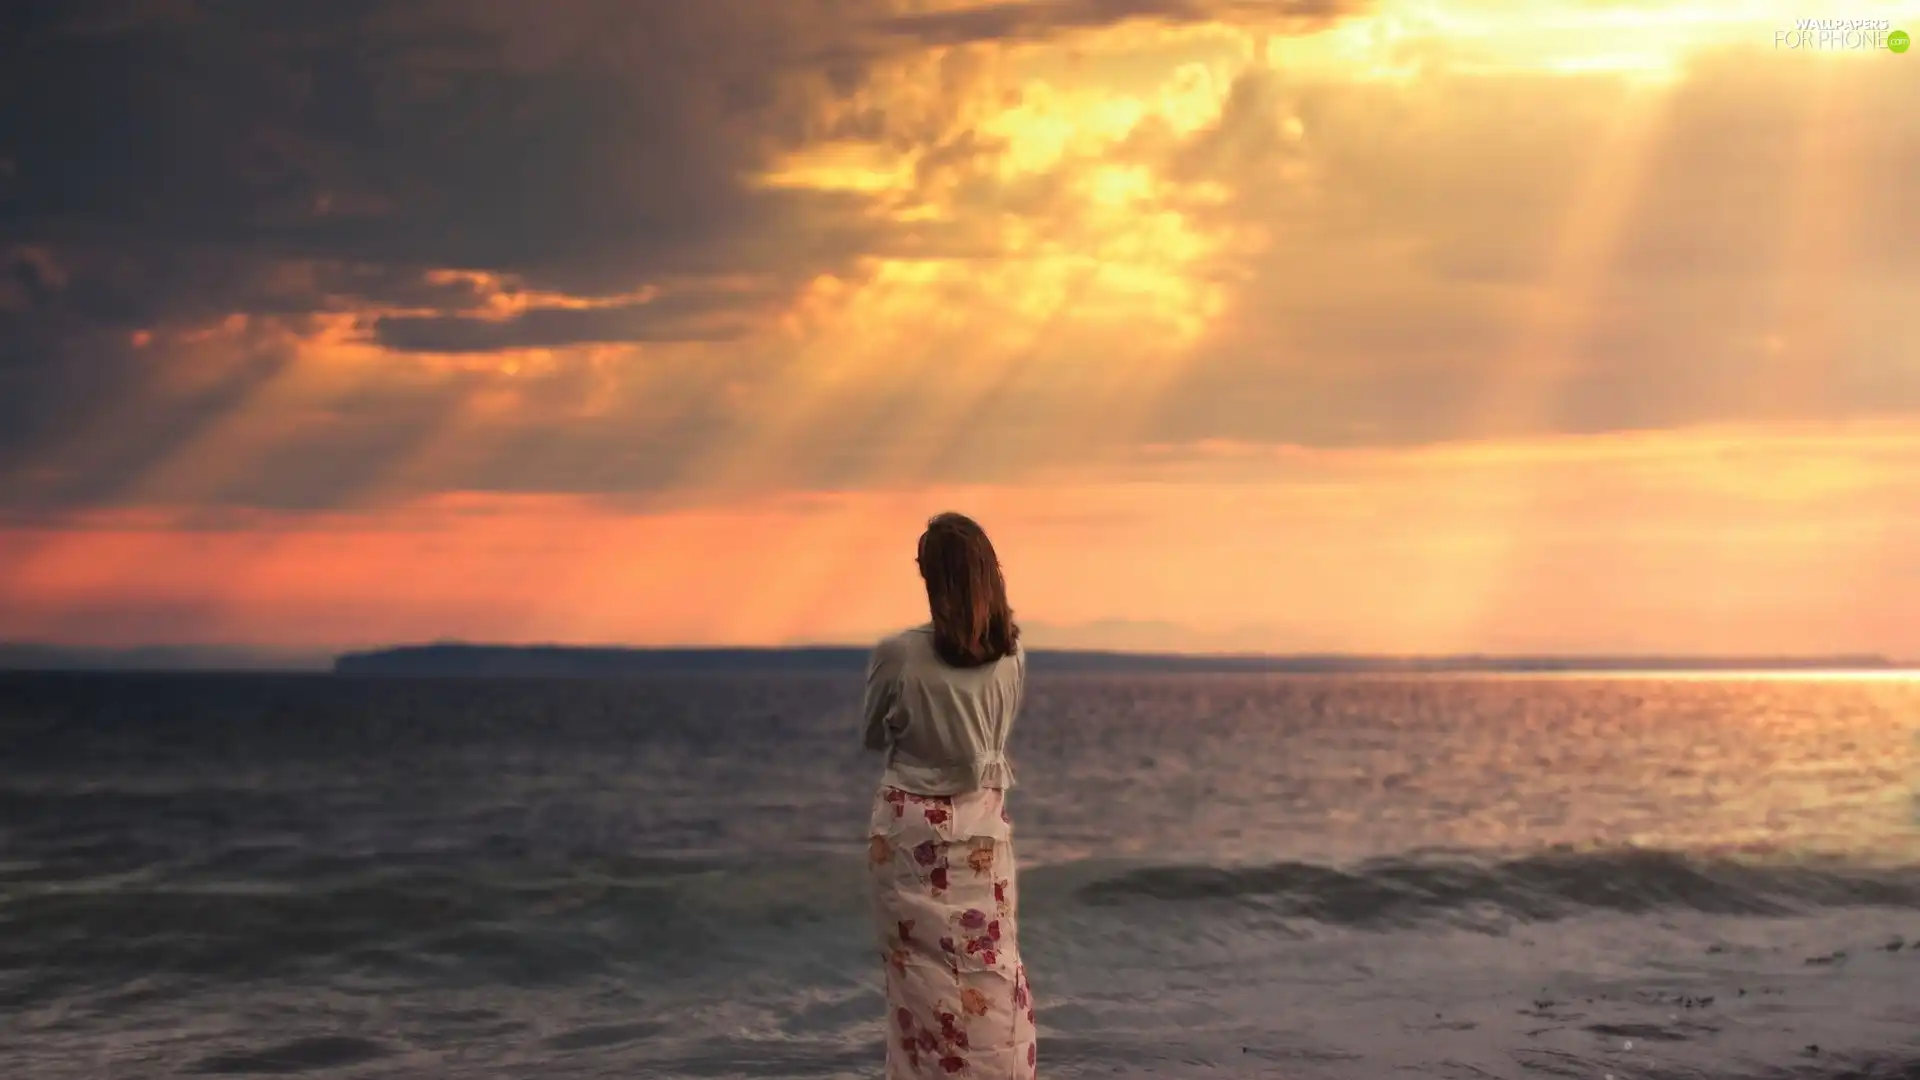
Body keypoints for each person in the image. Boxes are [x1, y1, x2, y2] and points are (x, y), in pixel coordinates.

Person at [863, 512, 1036, 1080]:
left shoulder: (899, 654)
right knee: (992, 968)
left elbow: (872, 734)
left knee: (916, 982)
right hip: (985, 826)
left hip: (912, 830)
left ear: (932, 581)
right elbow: (995, 738)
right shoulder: (1011, 655)